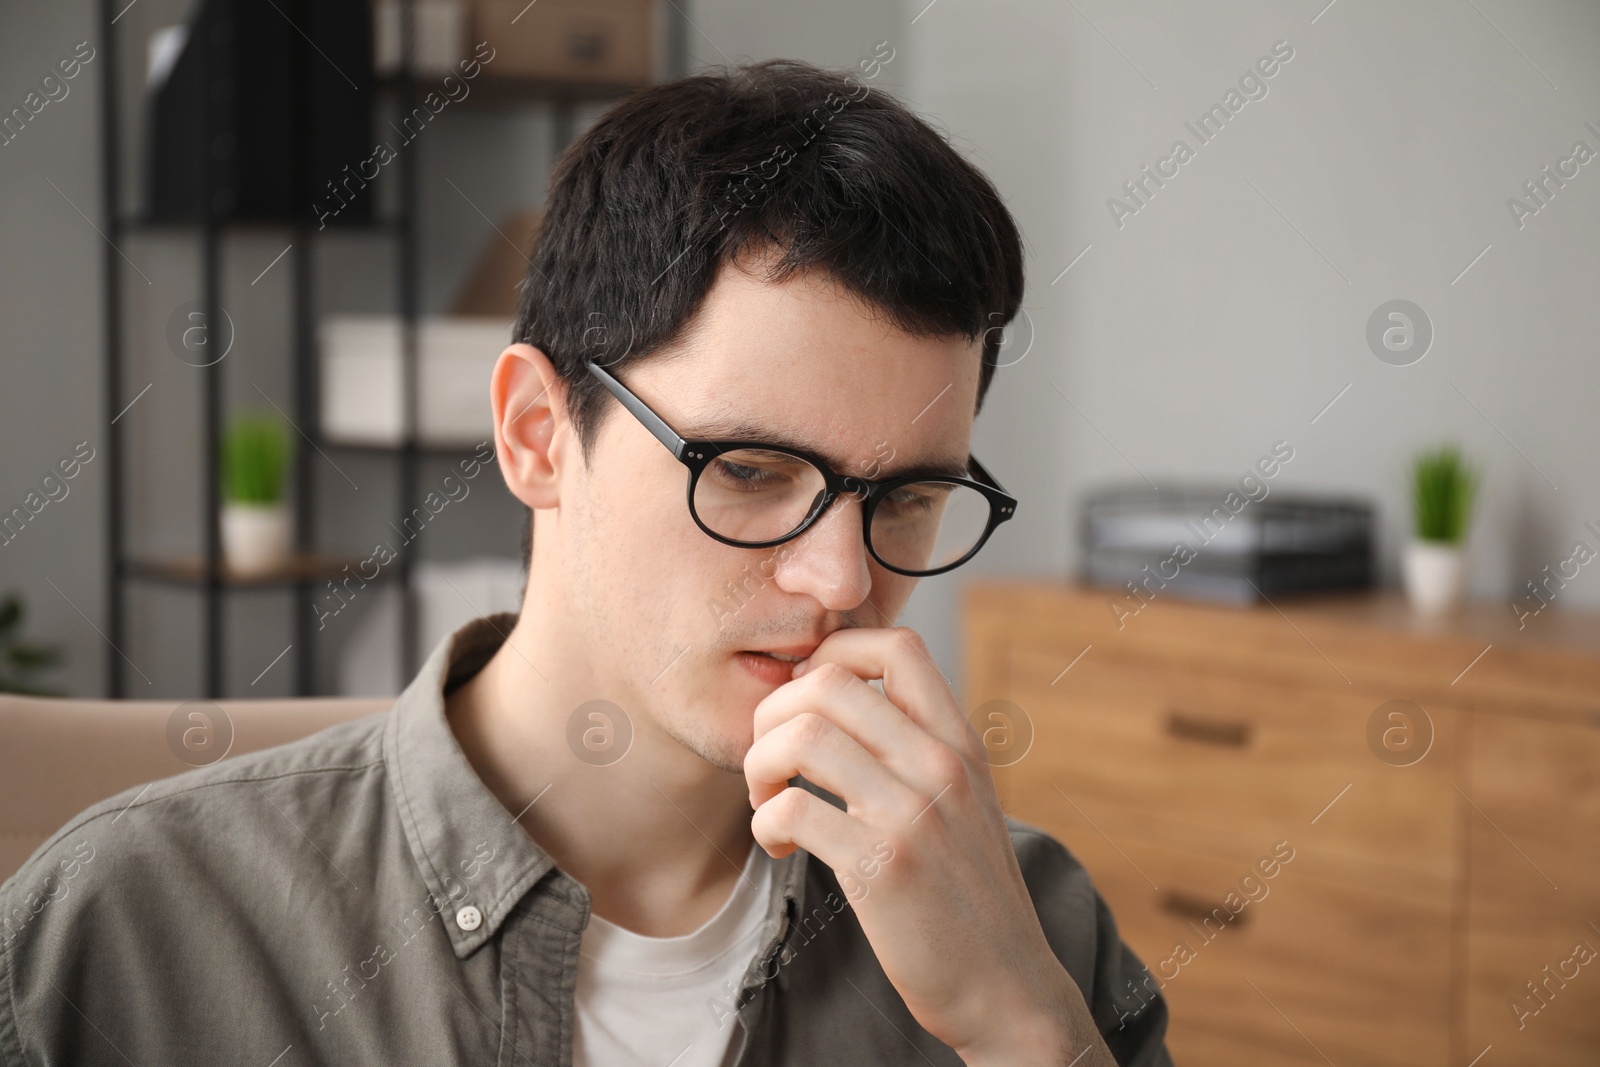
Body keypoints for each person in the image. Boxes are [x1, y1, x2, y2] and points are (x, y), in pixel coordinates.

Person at [0, 58, 1171, 1066]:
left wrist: (1019, 1026)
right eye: (752, 470)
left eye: (907, 496)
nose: (838, 583)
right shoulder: (123, 931)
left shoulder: (1032, 928)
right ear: (536, 435)